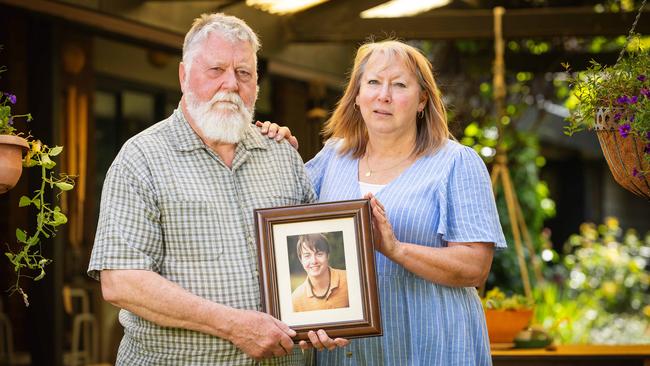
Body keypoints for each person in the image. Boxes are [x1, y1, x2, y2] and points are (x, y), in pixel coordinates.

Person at [87, 13, 347, 365]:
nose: (231, 84)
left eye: (244, 73)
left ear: (256, 83)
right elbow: (121, 282)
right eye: (216, 70)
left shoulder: (283, 155)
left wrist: (324, 317)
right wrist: (233, 325)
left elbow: (309, 252)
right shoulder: (141, 159)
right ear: (183, 75)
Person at [260, 39, 506, 364]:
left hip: (431, 345)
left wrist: (397, 250)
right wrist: (276, 151)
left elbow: (475, 268)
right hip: (349, 353)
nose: (384, 95)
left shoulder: (456, 163)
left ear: (422, 101)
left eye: (399, 85)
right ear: (357, 96)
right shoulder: (334, 157)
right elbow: (286, 218)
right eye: (373, 82)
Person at [291, 234, 349, 312]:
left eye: (319, 254)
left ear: (328, 256)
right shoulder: (296, 299)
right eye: (307, 256)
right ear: (301, 260)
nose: (314, 261)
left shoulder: (349, 279)